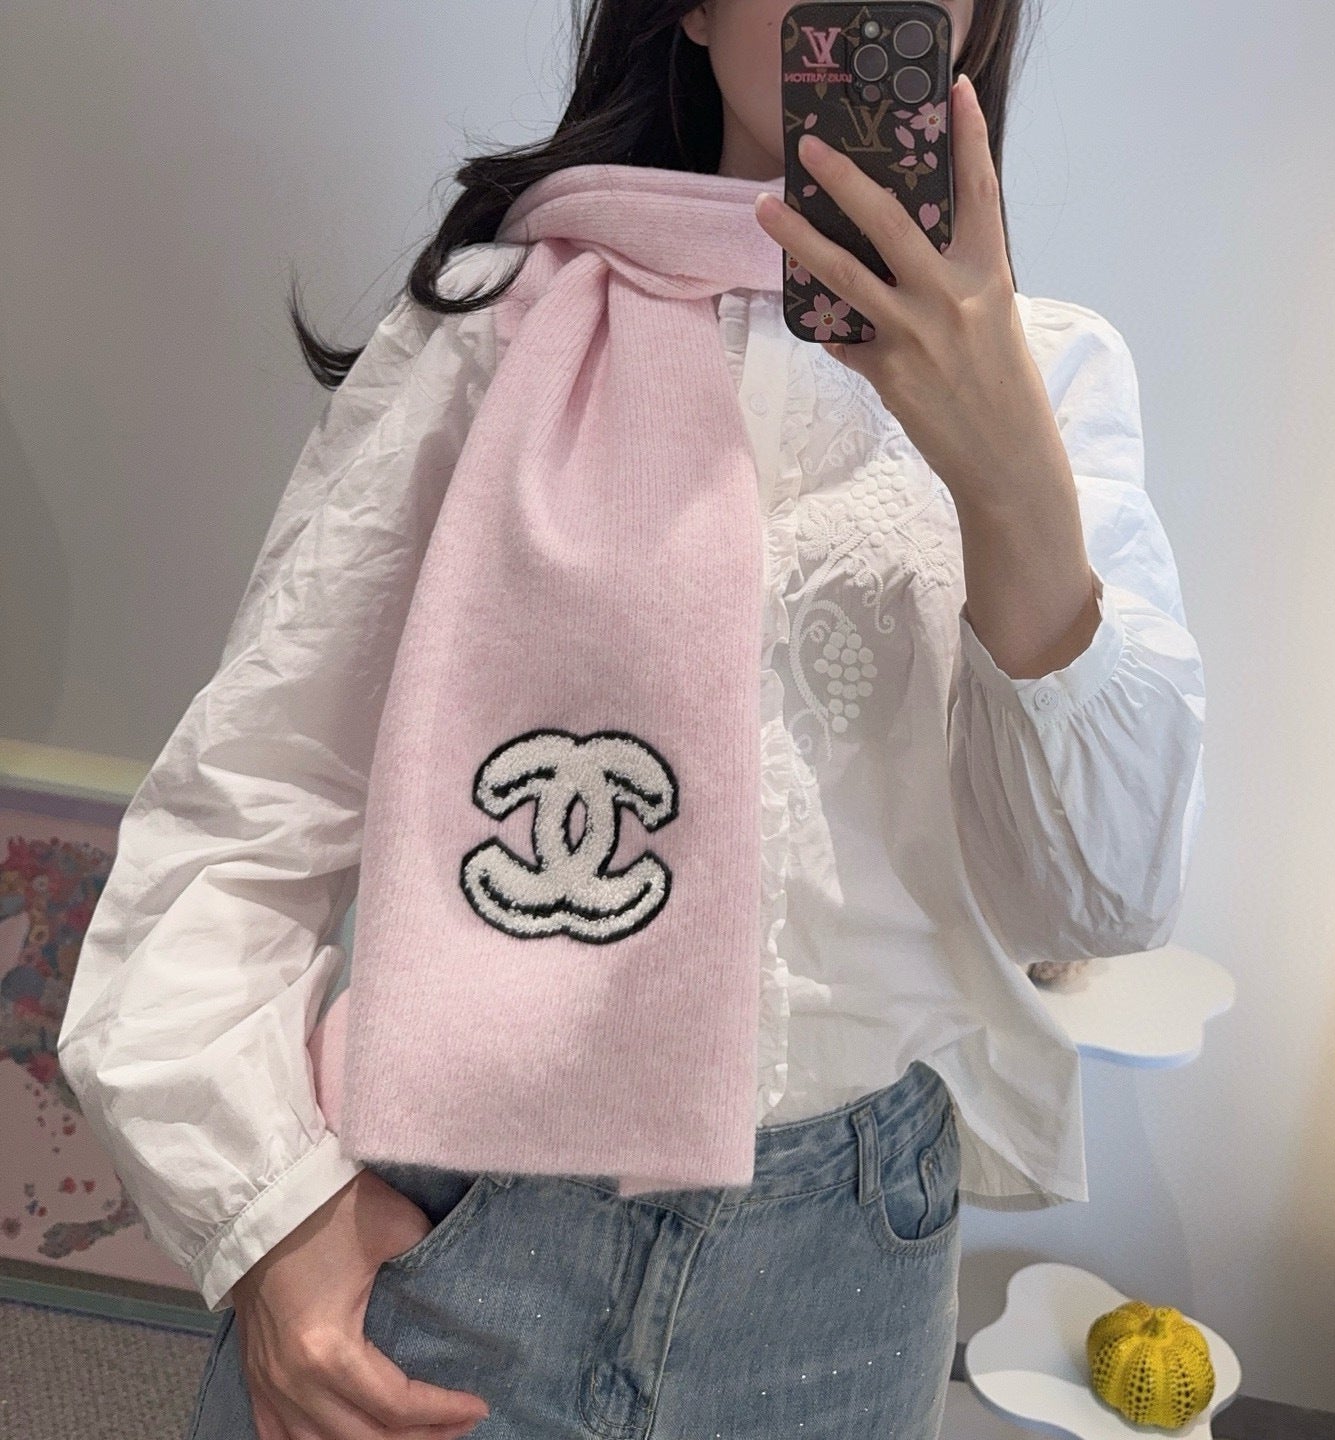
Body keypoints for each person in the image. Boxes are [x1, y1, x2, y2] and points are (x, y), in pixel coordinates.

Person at [56, 1, 1207, 1436]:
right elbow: (247, 807)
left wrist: (1009, 475)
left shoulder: (1057, 381)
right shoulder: (489, 329)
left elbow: (1098, 900)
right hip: (458, 1226)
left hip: (845, 1275)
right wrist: (268, 1217)